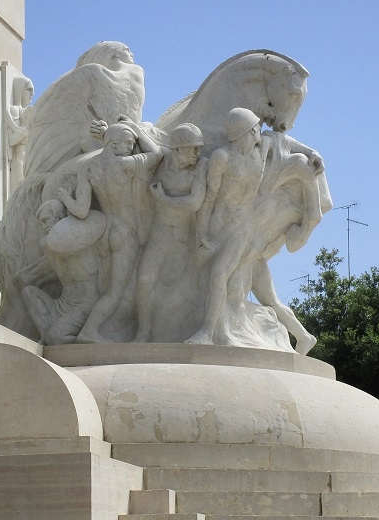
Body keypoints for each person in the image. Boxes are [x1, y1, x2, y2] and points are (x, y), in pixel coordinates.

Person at [60, 120, 163, 343]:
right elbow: (158, 153)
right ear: (113, 142)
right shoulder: (125, 165)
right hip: (126, 236)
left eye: (133, 143)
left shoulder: (87, 168)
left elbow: (80, 210)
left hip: (107, 234)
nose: (131, 146)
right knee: (115, 293)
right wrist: (136, 128)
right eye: (127, 142)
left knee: (115, 290)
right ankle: (89, 331)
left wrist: (66, 198)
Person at [189, 108, 270, 345]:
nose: (260, 131)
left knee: (219, 273)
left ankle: (207, 331)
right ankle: (216, 329)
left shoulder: (263, 149)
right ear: (247, 131)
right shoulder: (222, 157)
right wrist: (201, 231)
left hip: (242, 226)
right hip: (218, 223)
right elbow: (210, 196)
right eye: (256, 127)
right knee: (201, 277)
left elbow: (283, 142)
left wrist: (310, 154)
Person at [134, 123, 208, 342]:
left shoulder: (200, 167)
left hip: (183, 239)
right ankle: (143, 331)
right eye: (193, 148)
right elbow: (144, 142)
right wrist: (129, 126)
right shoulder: (163, 159)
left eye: (199, 148)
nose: (198, 153)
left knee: (176, 289)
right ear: (177, 149)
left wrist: (163, 199)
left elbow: (195, 202)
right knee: (145, 280)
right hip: (159, 233)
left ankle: (170, 333)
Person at [20, 199, 105, 345]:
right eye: (41, 223)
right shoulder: (46, 244)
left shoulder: (80, 237)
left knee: (56, 337)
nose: (44, 226)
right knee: (28, 293)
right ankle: (46, 335)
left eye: (46, 220)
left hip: (84, 303)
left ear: (59, 218)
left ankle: (74, 340)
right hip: (62, 304)